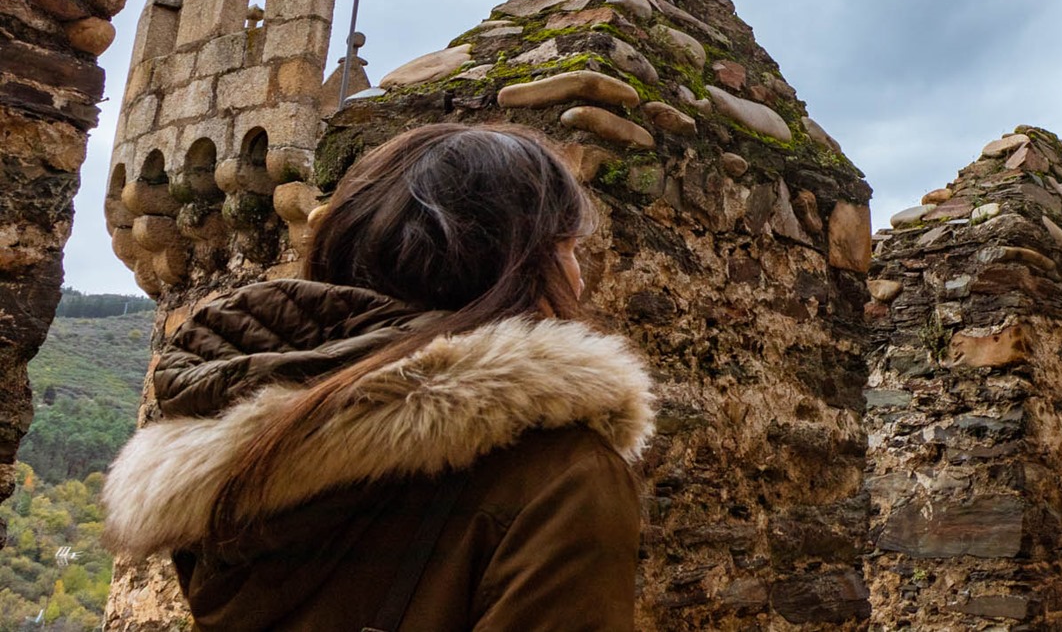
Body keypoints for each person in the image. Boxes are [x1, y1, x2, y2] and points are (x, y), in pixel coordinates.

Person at [103, 124, 654, 631]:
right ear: (513, 266)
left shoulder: (232, 460)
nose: (579, 280)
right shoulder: (562, 475)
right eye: (567, 248)